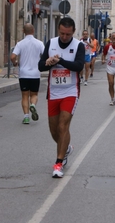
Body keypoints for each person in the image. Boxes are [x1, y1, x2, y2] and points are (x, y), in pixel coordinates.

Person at [38, 17, 85, 178]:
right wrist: (49, 62)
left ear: (73, 32)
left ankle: (58, 164)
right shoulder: (50, 43)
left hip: (70, 92)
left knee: (63, 125)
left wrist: (61, 61)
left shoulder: (78, 45)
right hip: (53, 92)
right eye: (62, 33)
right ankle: (66, 148)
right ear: (58, 31)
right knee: (54, 129)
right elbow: (40, 66)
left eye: (68, 34)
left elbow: (78, 66)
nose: (65, 37)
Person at [10, 23, 45, 124]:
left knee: (24, 96)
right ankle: (33, 105)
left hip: (24, 73)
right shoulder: (39, 43)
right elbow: (45, 55)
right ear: (33, 31)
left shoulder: (20, 44)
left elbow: (12, 57)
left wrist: (15, 63)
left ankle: (26, 117)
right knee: (34, 94)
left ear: (23, 31)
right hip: (35, 73)